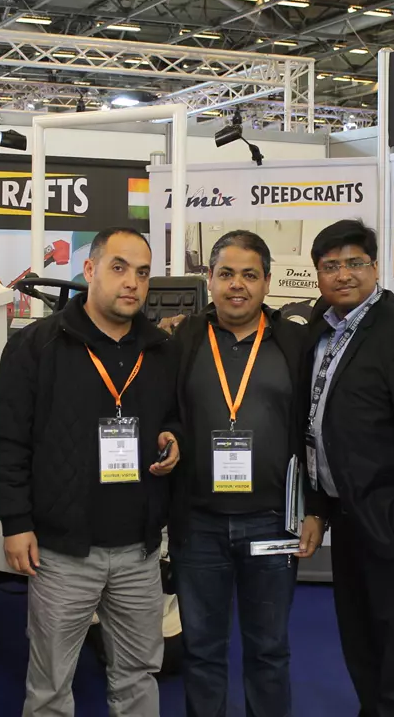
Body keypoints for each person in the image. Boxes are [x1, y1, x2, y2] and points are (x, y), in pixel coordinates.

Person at [0, 226, 182, 717]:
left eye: (142, 273)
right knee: (50, 686)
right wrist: (15, 522)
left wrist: (175, 438)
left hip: (139, 551)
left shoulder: (161, 350)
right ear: (90, 270)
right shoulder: (37, 346)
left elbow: (176, 417)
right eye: (119, 268)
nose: (132, 282)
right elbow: (7, 439)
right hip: (62, 552)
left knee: (138, 676)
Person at [166, 230, 326, 717]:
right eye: (227, 274)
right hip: (198, 524)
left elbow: (314, 430)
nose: (238, 284)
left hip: (272, 522)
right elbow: (166, 412)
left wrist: (316, 509)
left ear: (267, 282)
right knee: (201, 649)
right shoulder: (182, 339)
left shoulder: (296, 343)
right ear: (210, 279)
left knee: (269, 650)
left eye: (250, 275)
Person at [301, 219, 394, 717]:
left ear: (375, 266)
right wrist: (318, 505)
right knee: (359, 638)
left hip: (393, 523)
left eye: (354, 263)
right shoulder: (322, 330)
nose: (343, 274)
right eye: (331, 266)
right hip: (346, 516)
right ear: (318, 273)